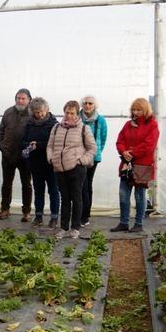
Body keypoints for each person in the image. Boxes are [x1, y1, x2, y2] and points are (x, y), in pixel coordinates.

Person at [47, 101, 97, 239]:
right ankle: (63, 227)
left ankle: (75, 227)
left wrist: (81, 161)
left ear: (77, 113)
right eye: (67, 112)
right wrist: (51, 159)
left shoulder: (83, 128)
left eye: (72, 113)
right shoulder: (56, 127)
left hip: (77, 169)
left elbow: (92, 148)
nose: (69, 115)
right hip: (59, 168)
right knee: (65, 198)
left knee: (76, 197)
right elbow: (50, 146)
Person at [110, 98, 160, 233]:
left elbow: (149, 145)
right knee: (123, 194)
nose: (135, 112)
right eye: (133, 109)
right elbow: (120, 141)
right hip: (127, 165)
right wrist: (123, 151)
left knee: (139, 195)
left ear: (145, 110)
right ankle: (123, 222)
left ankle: (139, 223)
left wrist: (131, 152)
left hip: (143, 165)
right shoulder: (128, 125)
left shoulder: (152, 125)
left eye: (138, 110)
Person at [22, 97, 59, 229]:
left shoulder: (54, 124)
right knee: (38, 191)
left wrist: (39, 145)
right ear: (32, 112)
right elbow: (23, 141)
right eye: (37, 112)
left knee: (53, 191)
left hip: (50, 163)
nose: (40, 114)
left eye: (42, 111)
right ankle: (38, 216)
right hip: (35, 163)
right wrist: (29, 145)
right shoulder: (29, 124)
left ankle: (54, 217)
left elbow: (55, 142)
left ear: (47, 110)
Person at [0, 88, 33, 222]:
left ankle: (26, 211)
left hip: (25, 156)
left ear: (29, 100)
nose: (20, 100)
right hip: (8, 154)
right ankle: (5, 209)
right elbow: (1, 130)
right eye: (18, 98)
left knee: (26, 184)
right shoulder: (8, 112)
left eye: (23, 98)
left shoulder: (32, 113)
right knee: (7, 183)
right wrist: (2, 145)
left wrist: (28, 151)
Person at [79, 95, 108, 226]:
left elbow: (103, 138)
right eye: (85, 103)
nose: (87, 105)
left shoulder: (100, 120)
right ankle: (79, 213)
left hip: (93, 157)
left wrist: (97, 153)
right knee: (79, 185)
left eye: (90, 103)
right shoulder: (77, 118)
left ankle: (85, 215)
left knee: (86, 185)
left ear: (95, 105)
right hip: (77, 156)